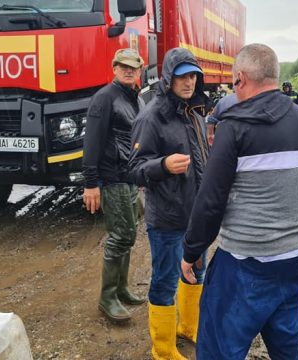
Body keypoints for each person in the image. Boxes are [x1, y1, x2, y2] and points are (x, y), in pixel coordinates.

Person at [181, 44, 298, 359]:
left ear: (241, 79)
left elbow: (210, 200)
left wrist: (192, 251)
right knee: (287, 347)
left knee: (219, 348)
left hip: (243, 264)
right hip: (293, 261)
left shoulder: (235, 128)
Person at [129, 47, 210, 360]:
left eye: (192, 76)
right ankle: (162, 350)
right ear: (168, 79)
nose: (188, 82)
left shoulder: (195, 112)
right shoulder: (152, 117)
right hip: (167, 219)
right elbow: (133, 169)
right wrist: (162, 165)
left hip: (197, 216)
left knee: (197, 273)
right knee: (164, 282)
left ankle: (188, 326)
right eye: (181, 77)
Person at [82, 48, 146, 322]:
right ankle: (107, 298)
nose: (128, 70)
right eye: (123, 66)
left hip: (129, 176)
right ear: (114, 68)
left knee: (128, 235)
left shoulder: (136, 98)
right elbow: (92, 142)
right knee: (120, 236)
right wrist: (91, 183)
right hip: (112, 177)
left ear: (140, 70)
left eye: (133, 67)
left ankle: (121, 288)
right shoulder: (105, 98)